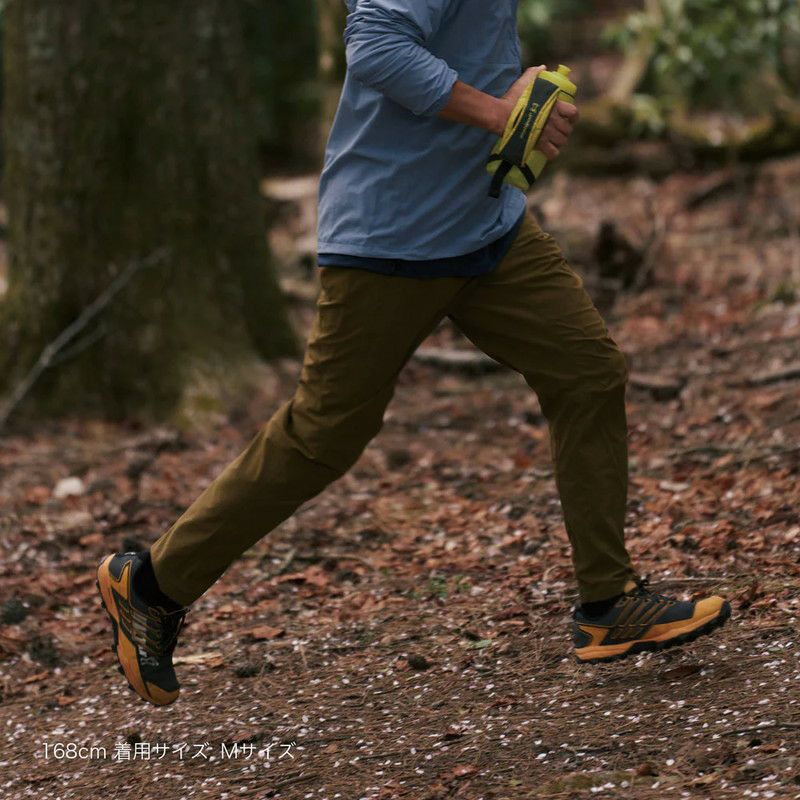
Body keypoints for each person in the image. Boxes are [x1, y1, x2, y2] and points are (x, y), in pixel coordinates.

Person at [96, 0, 730, 706]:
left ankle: (609, 603)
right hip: (390, 241)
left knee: (588, 370)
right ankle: (151, 586)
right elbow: (375, 46)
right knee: (323, 435)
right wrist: (500, 112)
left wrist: (520, 96)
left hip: (483, 227)